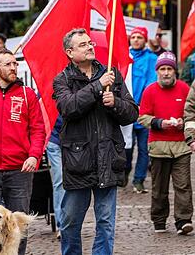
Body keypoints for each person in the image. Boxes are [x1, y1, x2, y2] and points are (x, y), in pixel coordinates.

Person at [52, 28, 138, 255]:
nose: (90, 46)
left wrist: (116, 104)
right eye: (83, 44)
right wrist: (98, 86)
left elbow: (132, 113)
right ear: (70, 52)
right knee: (70, 222)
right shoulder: (62, 79)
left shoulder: (111, 73)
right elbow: (68, 108)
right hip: (78, 161)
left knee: (106, 222)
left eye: (90, 43)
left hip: (108, 158)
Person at [0, 50, 45, 255]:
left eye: (15, 64)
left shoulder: (27, 94)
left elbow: (38, 129)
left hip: (20, 169)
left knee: (17, 223)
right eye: (8, 64)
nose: (13, 68)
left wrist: (34, 155)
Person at [138, 52, 193, 234]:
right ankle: (159, 220)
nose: (166, 72)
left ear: (175, 71)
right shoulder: (150, 91)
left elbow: (191, 112)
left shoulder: (184, 89)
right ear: (157, 71)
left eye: (169, 68)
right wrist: (159, 123)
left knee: (183, 185)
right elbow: (142, 117)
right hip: (158, 146)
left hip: (181, 146)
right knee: (159, 188)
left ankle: (183, 220)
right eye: (163, 69)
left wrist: (183, 122)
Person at [126, 26, 157, 193]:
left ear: (145, 39)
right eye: (133, 37)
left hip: (145, 111)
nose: (136, 40)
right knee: (126, 146)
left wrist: (142, 105)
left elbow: (151, 83)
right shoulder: (125, 55)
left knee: (144, 149)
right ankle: (125, 170)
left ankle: (139, 179)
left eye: (139, 37)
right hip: (126, 110)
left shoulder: (152, 58)